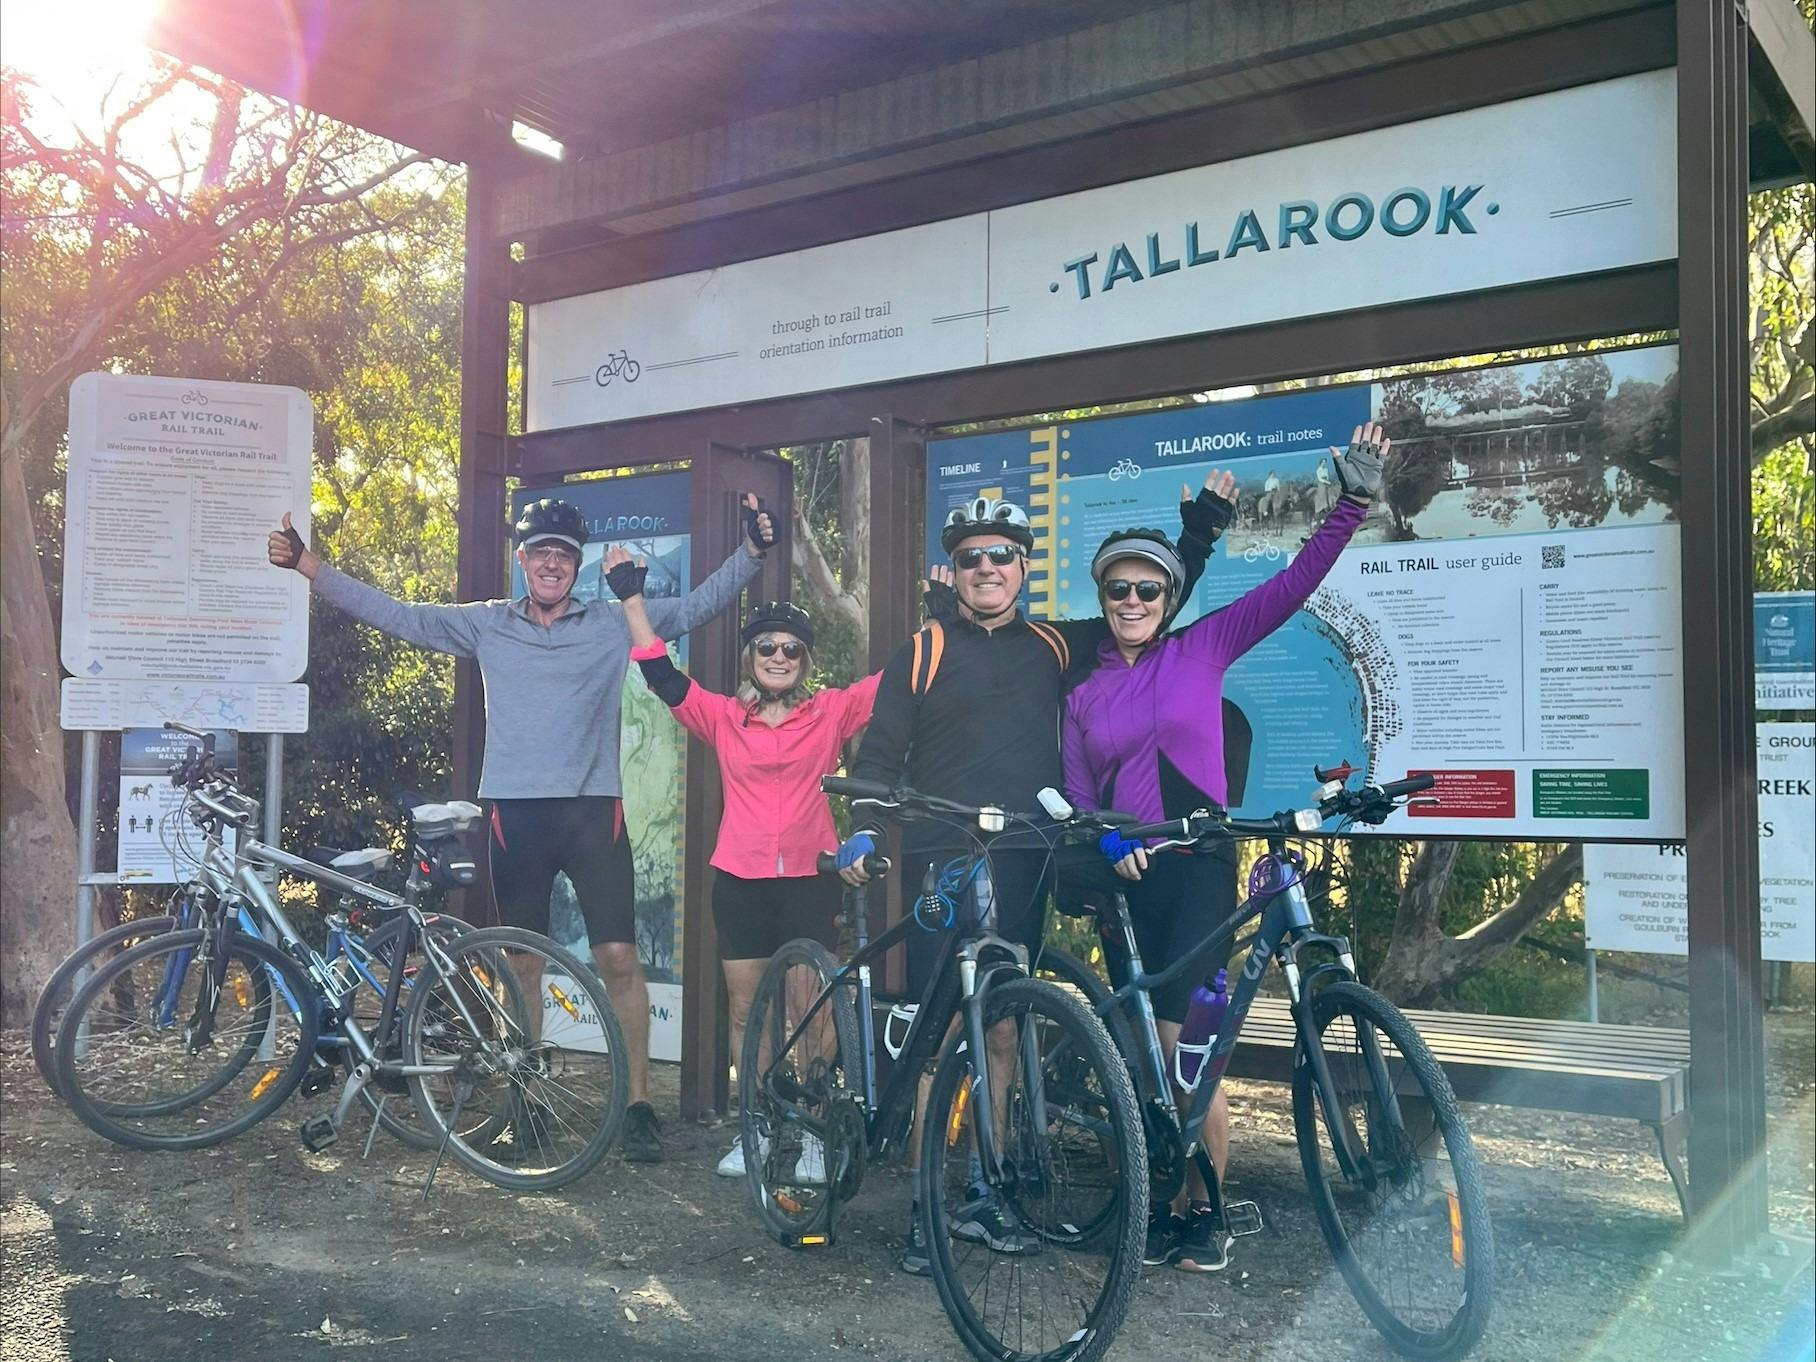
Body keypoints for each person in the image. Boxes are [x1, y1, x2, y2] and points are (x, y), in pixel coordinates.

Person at [267, 493, 774, 1162]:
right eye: (541, 553)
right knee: (522, 964)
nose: (552, 564)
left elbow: (694, 609)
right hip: (516, 814)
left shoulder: (610, 622)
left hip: (592, 811)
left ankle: (638, 1107)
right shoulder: (487, 623)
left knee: (619, 959)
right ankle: (527, 1099)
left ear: (578, 564)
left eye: (564, 554)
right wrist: (308, 565)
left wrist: (752, 551)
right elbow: (399, 615)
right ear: (523, 561)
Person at [834, 477, 1235, 1275]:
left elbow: (1144, 605)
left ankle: (984, 1193)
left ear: (1023, 568)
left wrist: (1198, 536)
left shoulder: (1054, 644)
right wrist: (866, 829)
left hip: (1024, 860)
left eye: (1001, 556)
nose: (986, 567)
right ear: (955, 572)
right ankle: (925, 1209)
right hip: (943, 862)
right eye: (970, 558)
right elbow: (878, 756)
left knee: (1004, 1027)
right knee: (946, 1033)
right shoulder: (923, 651)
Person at [1061, 423, 1389, 1274]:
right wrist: (1106, 839)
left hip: (1199, 869)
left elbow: (1292, 585)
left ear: (1169, 596)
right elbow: (1080, 797)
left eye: (1148, 588)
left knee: (1190, 1049)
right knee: (1143, 1055)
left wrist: (1352, 502)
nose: (1132, 600)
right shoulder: (1085, 692)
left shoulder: (1202, 648)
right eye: (1118, 589)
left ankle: (1204, 1211)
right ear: (1104, 597)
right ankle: (1158, 1201)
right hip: (1128, 878)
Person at [606, 550, 881, 1180]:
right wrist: (631, 599)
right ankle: (756, 1128)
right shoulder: (726, 716)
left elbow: (901, 683)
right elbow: (660, 673)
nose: (778, 657)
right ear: (750, 657)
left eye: (791, 649)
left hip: (811, 878)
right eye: (766, 647)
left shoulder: (831, 711)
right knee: (745, 1011)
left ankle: (811, 1133)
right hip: (739, 879)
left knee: (810, 1009)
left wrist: (941, 620)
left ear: (804, 660)